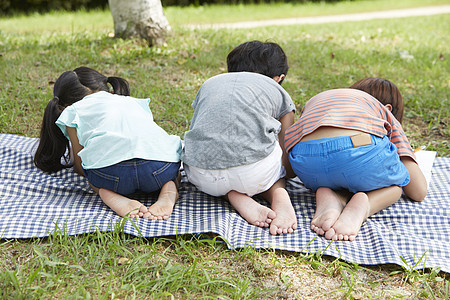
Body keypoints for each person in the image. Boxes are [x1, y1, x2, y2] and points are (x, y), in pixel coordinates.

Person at [285, 78, 427, 241]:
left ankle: (335, 197)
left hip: (305, 160)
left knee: (343, 172)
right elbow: (418, 192)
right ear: (388, 108)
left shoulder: (321, 99)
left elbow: (290, 164)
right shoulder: (381, 109)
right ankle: (364, 207)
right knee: (396, 184)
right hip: (358, 147)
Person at [34, 67, 182, 219]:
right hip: (160, 169)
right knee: (172, 161)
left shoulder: (73, 111)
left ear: (63, 107)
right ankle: (169, 188)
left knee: (91, 169)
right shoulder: (132, 102)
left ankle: (107, 193)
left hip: (112, 177)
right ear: (108, 90)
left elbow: (80, 167)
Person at [182, 40, 297, 235]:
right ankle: (278, 193)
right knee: (275, 151)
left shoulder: (210, 83)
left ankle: (231, 194)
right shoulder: (278, 90)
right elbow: (288, 149)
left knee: (223, 159)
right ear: (279, 78)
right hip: (254, 173)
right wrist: (284, 174)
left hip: (199, 174)